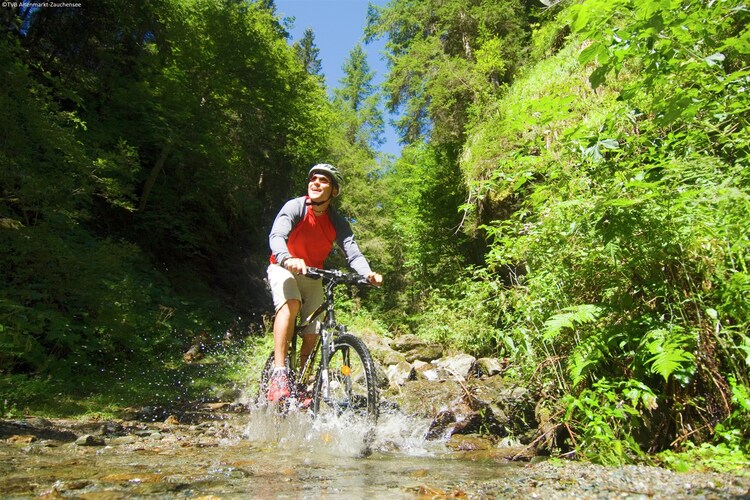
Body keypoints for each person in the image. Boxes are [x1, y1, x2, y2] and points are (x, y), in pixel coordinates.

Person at [266, 164, 383, 402]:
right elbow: (276, 236)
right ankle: (279, 373)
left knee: (314, 330)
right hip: (282, 267)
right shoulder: (296, 207)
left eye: (324, 181)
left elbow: (353, 253)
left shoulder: (336, 221)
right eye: (313, 179)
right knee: (291, 303)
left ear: (334, 191)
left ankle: (302, 382)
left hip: (312, 275)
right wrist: (287, 258)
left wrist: (368, 274)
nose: (316, 183)